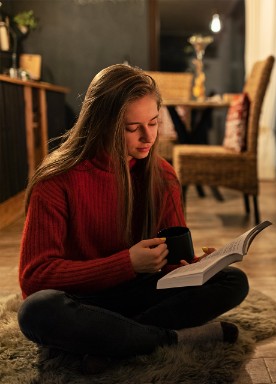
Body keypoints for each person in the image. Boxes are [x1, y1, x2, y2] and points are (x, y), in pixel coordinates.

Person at [17, 64, 249, 373]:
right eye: (132, 127)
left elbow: (167, 265)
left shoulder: (162, 175)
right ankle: (171, 337)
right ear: (103, 124)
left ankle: (117, 343)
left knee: (232, 280)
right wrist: (126, 263)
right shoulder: (57, 180)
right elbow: (34, 277)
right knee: (37, 310)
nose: (147, 136)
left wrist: (193, 266)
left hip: (137, 295)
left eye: (154, 123)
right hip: (83, 302)